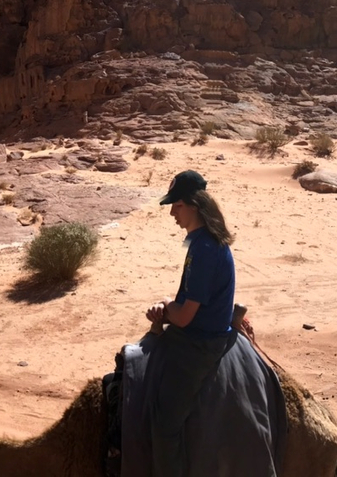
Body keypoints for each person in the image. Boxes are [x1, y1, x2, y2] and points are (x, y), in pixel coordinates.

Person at [139, 169, 276, 476]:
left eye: (177, 206)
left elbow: (186, 316)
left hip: (200, 345)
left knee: (164, 427)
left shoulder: (203, 249)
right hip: (200, 333)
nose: (173, 212)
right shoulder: (202, 242)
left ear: (194, 206)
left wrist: (164, 307)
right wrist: (168, 306)